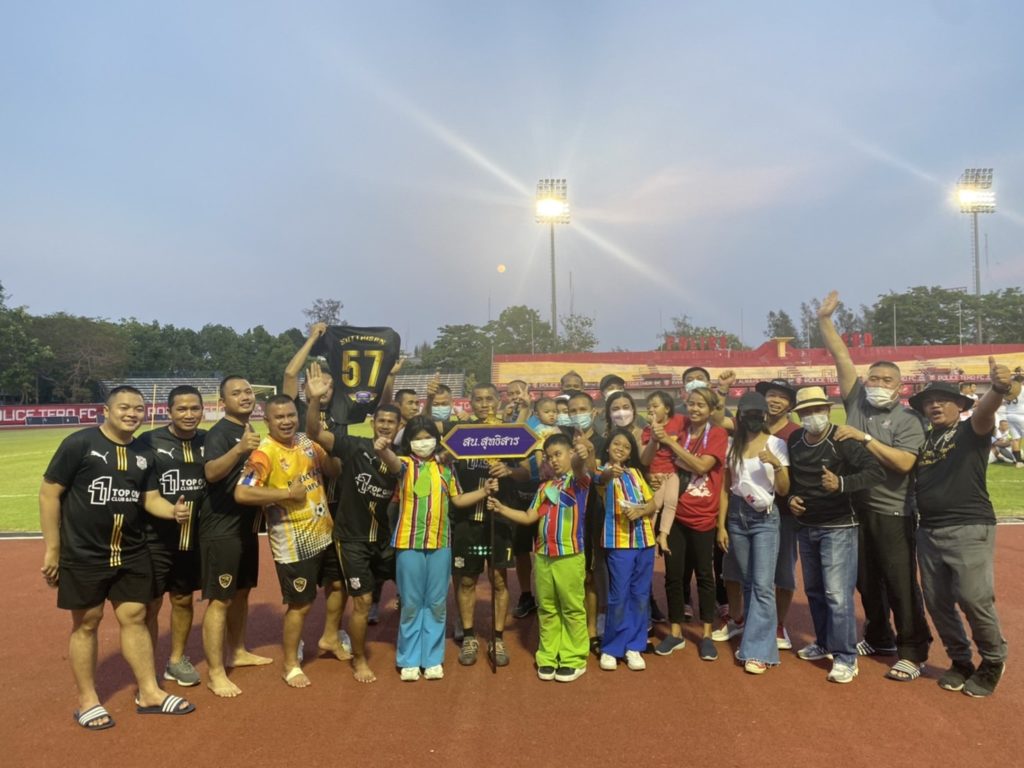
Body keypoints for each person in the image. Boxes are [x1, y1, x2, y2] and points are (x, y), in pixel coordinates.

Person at [39, 386, 196, 730]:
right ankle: (88, 700)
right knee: (87, 621)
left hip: (132, 550)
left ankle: (149, 692)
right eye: (124, 407)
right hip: (84, 552)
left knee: (136, 616)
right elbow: (49, 493)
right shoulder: (80, 443)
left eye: (138, 408)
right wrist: (53, 548)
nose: (132, 414)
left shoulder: (144, 452)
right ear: (106, 410)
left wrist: (173, 511)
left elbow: (150, 499)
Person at [817, 291, 932, 682]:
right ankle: (879, 635)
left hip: (893, 510)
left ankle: (913, 650)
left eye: (887, 380)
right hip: (855, 509)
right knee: (865, 580)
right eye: (874, 378)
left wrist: (864, 439)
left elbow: (904, 462)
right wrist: (825, 320)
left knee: (900, 582)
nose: (879, 384)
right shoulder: (857, 403)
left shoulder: (908, 420)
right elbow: (841, 357)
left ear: (900, 388)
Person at [910, 360, 1017, 697]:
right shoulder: (925, 440)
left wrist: (998, 389)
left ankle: (993, 659)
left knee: (973, 598)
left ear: (960, 405)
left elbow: (986, 412)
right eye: (929, 402)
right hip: (928, 530)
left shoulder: (971, 431)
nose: (935, 406)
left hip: (969, 526)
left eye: (943, 400)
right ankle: (960, 660)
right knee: (937, 601)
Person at [235, 395, 344, 688]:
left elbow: (333, 471)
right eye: (279, 417)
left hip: (325, 532)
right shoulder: (264, 453)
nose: (286, 421)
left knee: (338, 586)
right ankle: (290, 665)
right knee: (301, 604)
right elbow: (242, 493)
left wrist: (330, 447)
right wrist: (286, 494)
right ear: (267, 421)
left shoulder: (307, 442)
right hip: (294, 542)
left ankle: (330, 637)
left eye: (290, 415)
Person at [377, 415, 496, 680]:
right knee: (410, 602)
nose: (423, 443)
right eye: (417, 439)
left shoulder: (446, 468)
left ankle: (432, 658)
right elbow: (391, 460)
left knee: (436, 603)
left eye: (427, 438)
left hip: (441, 543)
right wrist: (382, 449)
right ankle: (409, 659)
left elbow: (458, 499)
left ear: (436, 440)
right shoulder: (405, 465)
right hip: (408, 543)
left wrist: (485, 491)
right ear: (409, 442)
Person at [306, 363, 401, 683]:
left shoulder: (402, 457)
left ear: (399, 426)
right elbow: (314, 434)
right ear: (373, 423)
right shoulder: (354, 445)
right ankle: (360, 660)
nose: (385, 425)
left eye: (391, 421)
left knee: (409, 594)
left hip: (385, 539)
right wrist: (315, 400)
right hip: (352, 539)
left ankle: (415, 648)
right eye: (381, 420)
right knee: (362, 602)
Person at [787, 386, 885, 684]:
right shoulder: (795, 440)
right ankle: (824, 642)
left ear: (828, 411)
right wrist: (792, 498)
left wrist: (841, 483)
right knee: (815, 590)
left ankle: (845, 657)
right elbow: (793, 480)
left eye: (817, 410)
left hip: (839, 526)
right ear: (799, 415)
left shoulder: (841, 439)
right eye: (806, 412)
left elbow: (875, 472)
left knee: (837, 594)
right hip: (807, 526)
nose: (812, 416)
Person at [488, 432, 595, 682]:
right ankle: (548, 655)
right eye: (549, 457)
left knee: (571, 608)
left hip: (570, 555)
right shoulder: (545, 487)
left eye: (558, 454)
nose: (554, 460)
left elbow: (581, 466)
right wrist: (501, 509)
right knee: (547, 608)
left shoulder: (579, 481)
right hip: (544, 556)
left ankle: (573, 658)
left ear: (570, 453)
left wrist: (583, 455)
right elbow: (529, 517)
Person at [200, 376, 272, 698]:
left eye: (248, 391)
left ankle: (238, 651)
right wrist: (240, 448)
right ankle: (216, 673)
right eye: (236, 393)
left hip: (246, 527)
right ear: (222, 402)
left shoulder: (248, 429)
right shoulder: (220, 433)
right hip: (221, 528)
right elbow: (211, 472)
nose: (245, 396)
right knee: (220, 599)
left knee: (242, 593)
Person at [452, 383, 528, 667]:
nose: (484, 404)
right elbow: (448, 466)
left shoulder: (509, 434)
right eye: (479, 399)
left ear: (498, 401)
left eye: (489, 399)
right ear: (470, 403)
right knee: (467, 579)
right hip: (468, 520)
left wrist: (509, 470)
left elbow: (526, 473)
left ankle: (497, 638)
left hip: (499, 517)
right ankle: (469, 636)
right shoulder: (461, 434)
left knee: (499, 579)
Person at [138, 385, 207, 688]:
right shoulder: (148, 441)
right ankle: (147, 668)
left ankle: (176, 661)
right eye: (182, 409)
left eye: (195, 408)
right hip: (154, 537)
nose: (189, 414)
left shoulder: (209, 440)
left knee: (183, 598)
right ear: (169, 411)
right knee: (150, 604)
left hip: (193, 538)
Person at [653, 386, 728, 661]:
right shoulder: (681, 429)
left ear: (711, 410)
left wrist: (672, 444)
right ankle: (675, 632)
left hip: (704, 515)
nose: (695, 409)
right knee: (673, 575)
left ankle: (706, 634)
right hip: (675, 514)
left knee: (705, 576)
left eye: (701, 405)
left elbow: (702, 467)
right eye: (692, 404)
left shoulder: (717, 434)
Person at [716, 392, 789, 674]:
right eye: (748, 414)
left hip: (765, 517)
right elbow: (725, 489)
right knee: (748, 582)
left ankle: (759, 652)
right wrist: (721, 525)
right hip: (737, 516)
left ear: (765, 416)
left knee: (762, 585)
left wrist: (776, 464)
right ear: (740, 416)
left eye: (759, 414)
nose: (754, 419)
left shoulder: (776, 444)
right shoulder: (732, 445)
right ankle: (753, 636)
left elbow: (783, 489)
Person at [595, 428, 656, 671]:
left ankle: (634, 645)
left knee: (640, 595)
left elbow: (652, 503)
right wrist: (609, 472)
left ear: (631, 454)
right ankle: (612, 647)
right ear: (608, 447)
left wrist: (640, 511)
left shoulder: (636, 473)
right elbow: (601, 480)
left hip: (645, 540)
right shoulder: (601, 471)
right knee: (618, 595)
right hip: (619, 541)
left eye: (626, 446)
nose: (620, 448)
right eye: (616, 444)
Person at [754, 379, 801, 649]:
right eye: (771, 395)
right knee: (754, 571)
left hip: (784, 513)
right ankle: (753, 619)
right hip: (753, 511)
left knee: (783, 572)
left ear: (790, 405)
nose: (775, 400)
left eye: (782, 397)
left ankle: (779, 623)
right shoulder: (752, 427)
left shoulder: (795, 434)